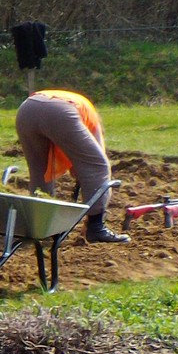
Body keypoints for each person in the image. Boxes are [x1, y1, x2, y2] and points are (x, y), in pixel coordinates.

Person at [14, 89, 129, 243]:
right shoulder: (92, 120)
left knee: (40, 171)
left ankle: (40, 224)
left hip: (27, 108)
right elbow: (92, 165)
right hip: (59, 111)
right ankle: (96, 228)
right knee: (98, 166)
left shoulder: (79, 106)